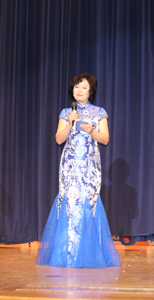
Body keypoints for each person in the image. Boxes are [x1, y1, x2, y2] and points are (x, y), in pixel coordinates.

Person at [36, 73, 121, 268]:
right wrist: (71, 123)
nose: (79, 90)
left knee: (87, 202)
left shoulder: (99, 112)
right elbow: (59, 139)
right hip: (70, 165)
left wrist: (92, 131)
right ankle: (67, 253)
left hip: (89, 165)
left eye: (83, 87)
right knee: (68, 201)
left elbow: (105, 139)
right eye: (76, 87)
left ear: (90, 91)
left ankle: (87, 253)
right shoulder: (67, 112)